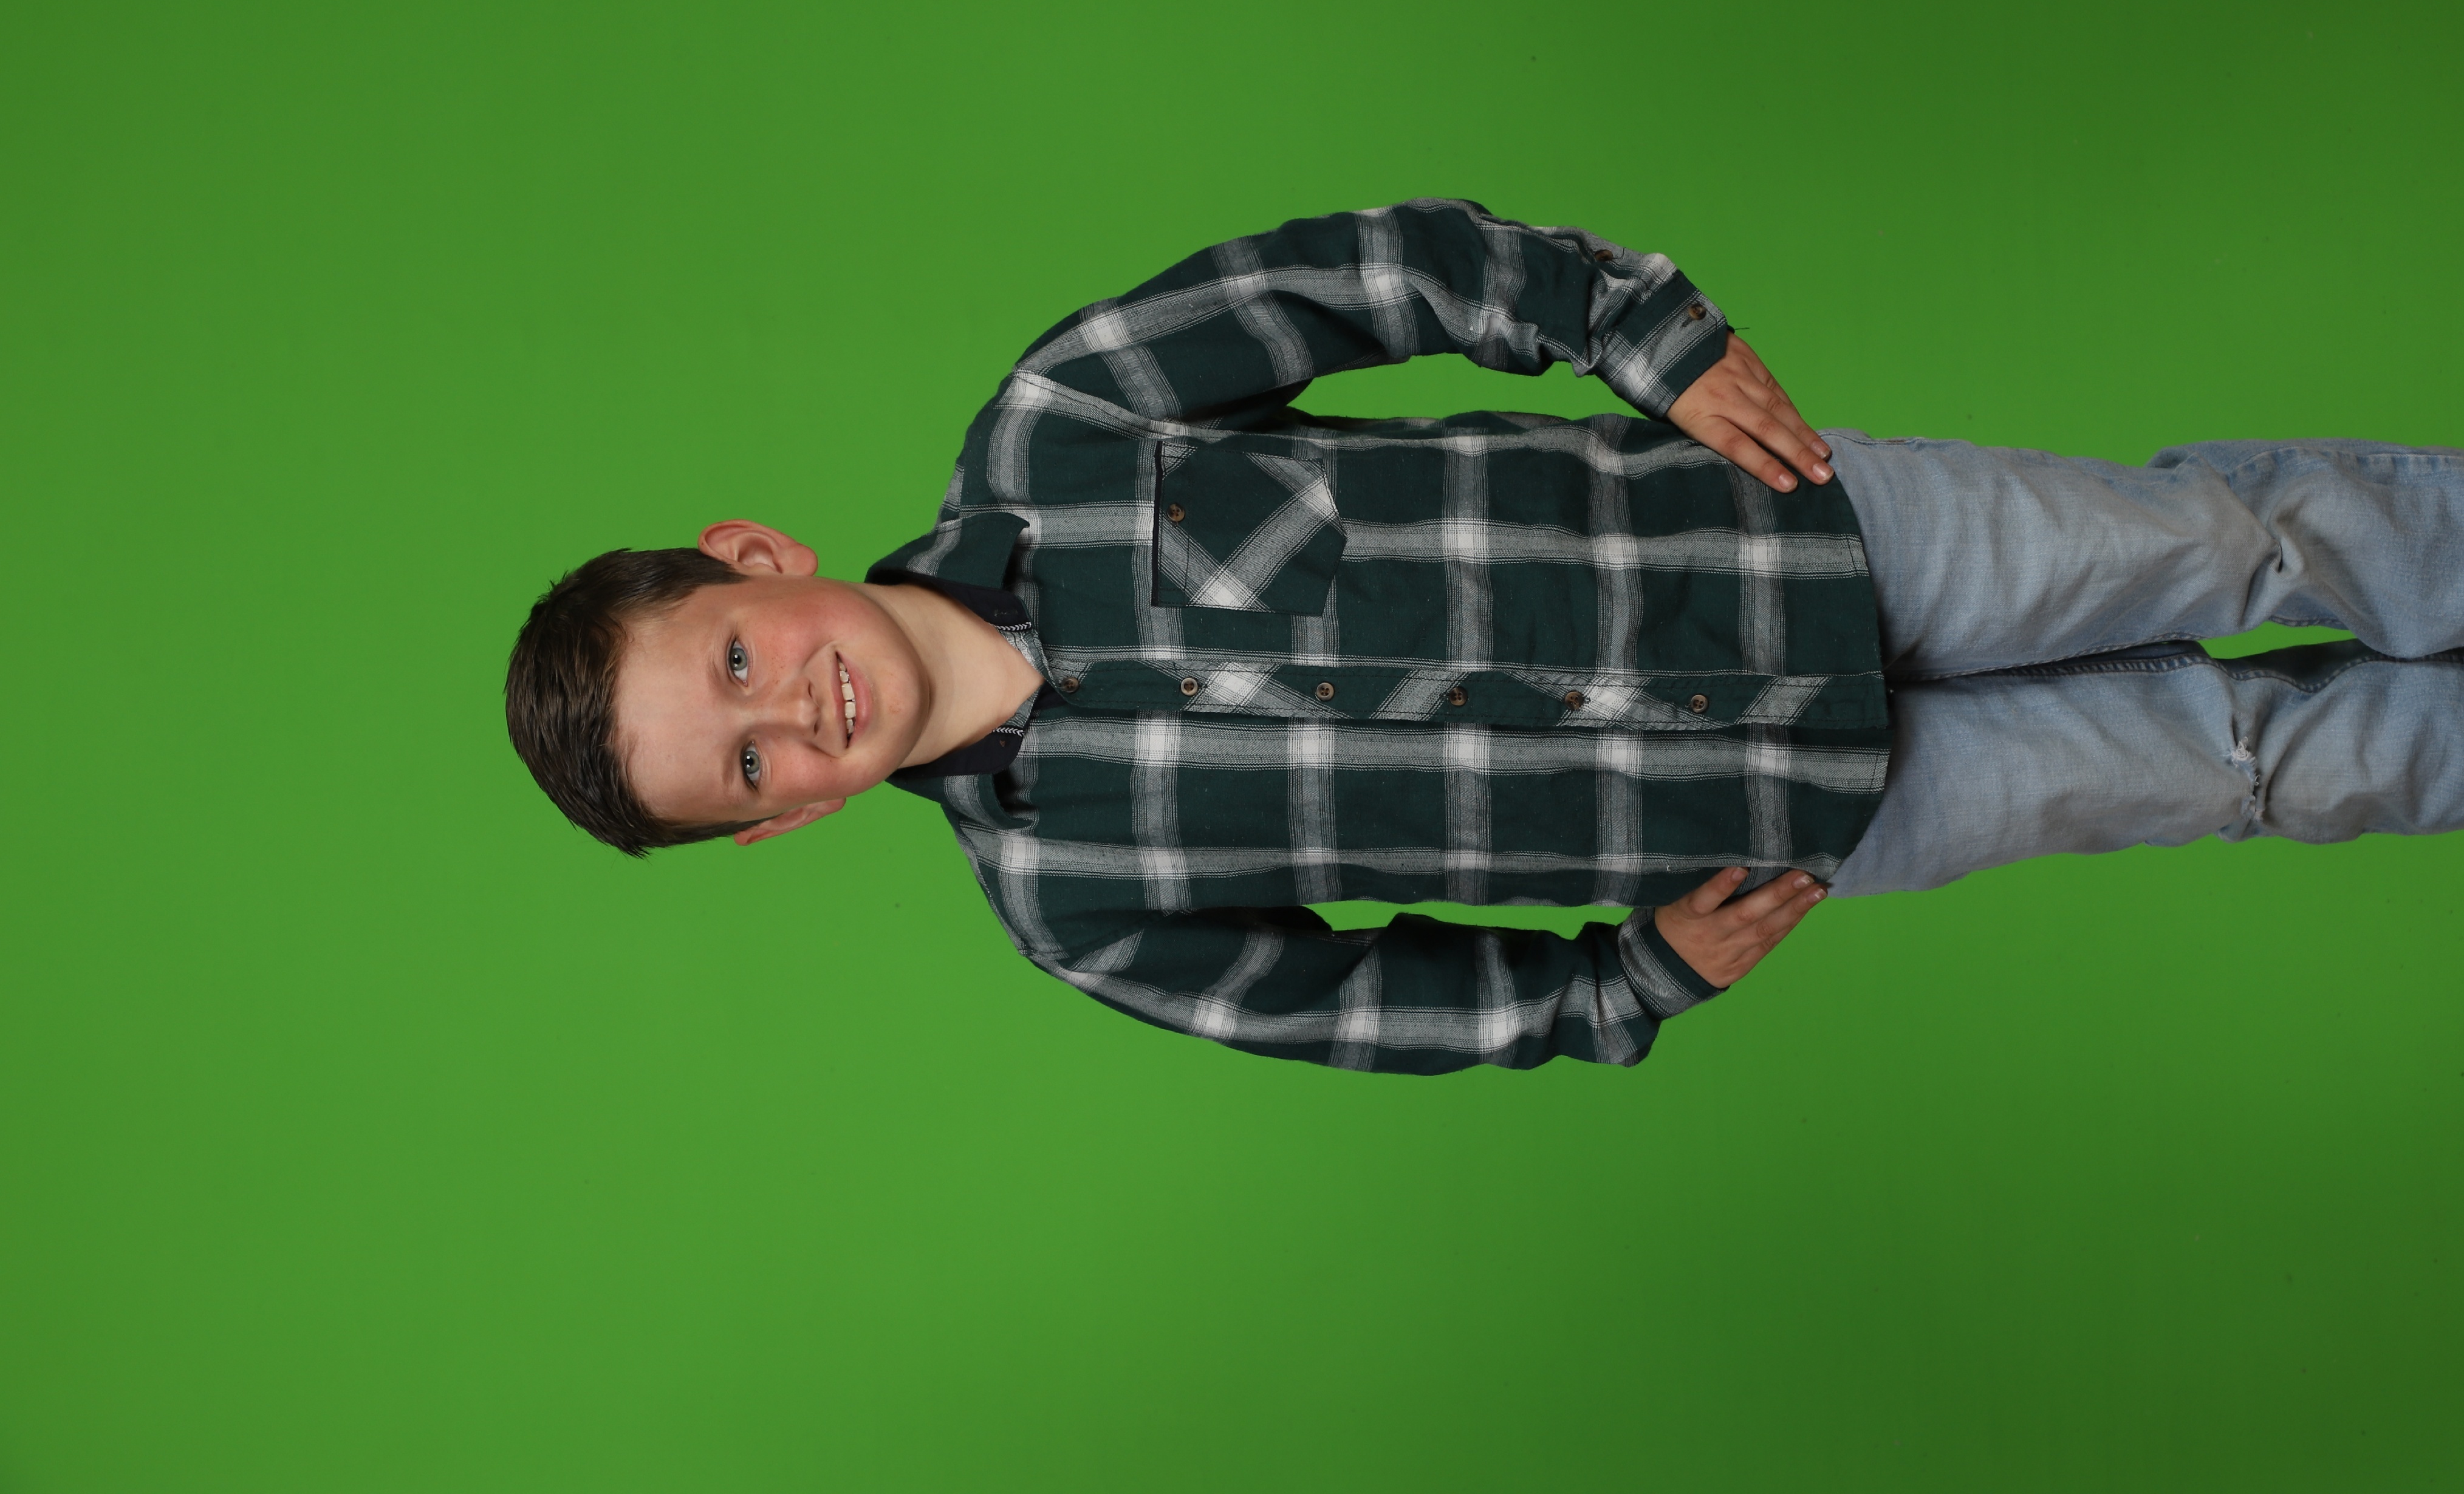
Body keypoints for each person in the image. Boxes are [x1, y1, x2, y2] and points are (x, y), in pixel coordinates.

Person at [505, 200, 2464, 1073]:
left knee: (2237, 545)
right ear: (784, 822)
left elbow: (1377, 275)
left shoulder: (1065, 421)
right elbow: (1357, 1006)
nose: (793, 714)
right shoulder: (1074, 909)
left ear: (752, 556)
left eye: (736, 660)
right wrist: (1616, 992)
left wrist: (1641, 335)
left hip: (1806, 529)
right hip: (1802, 812)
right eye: (746, 766)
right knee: (2246, 771)